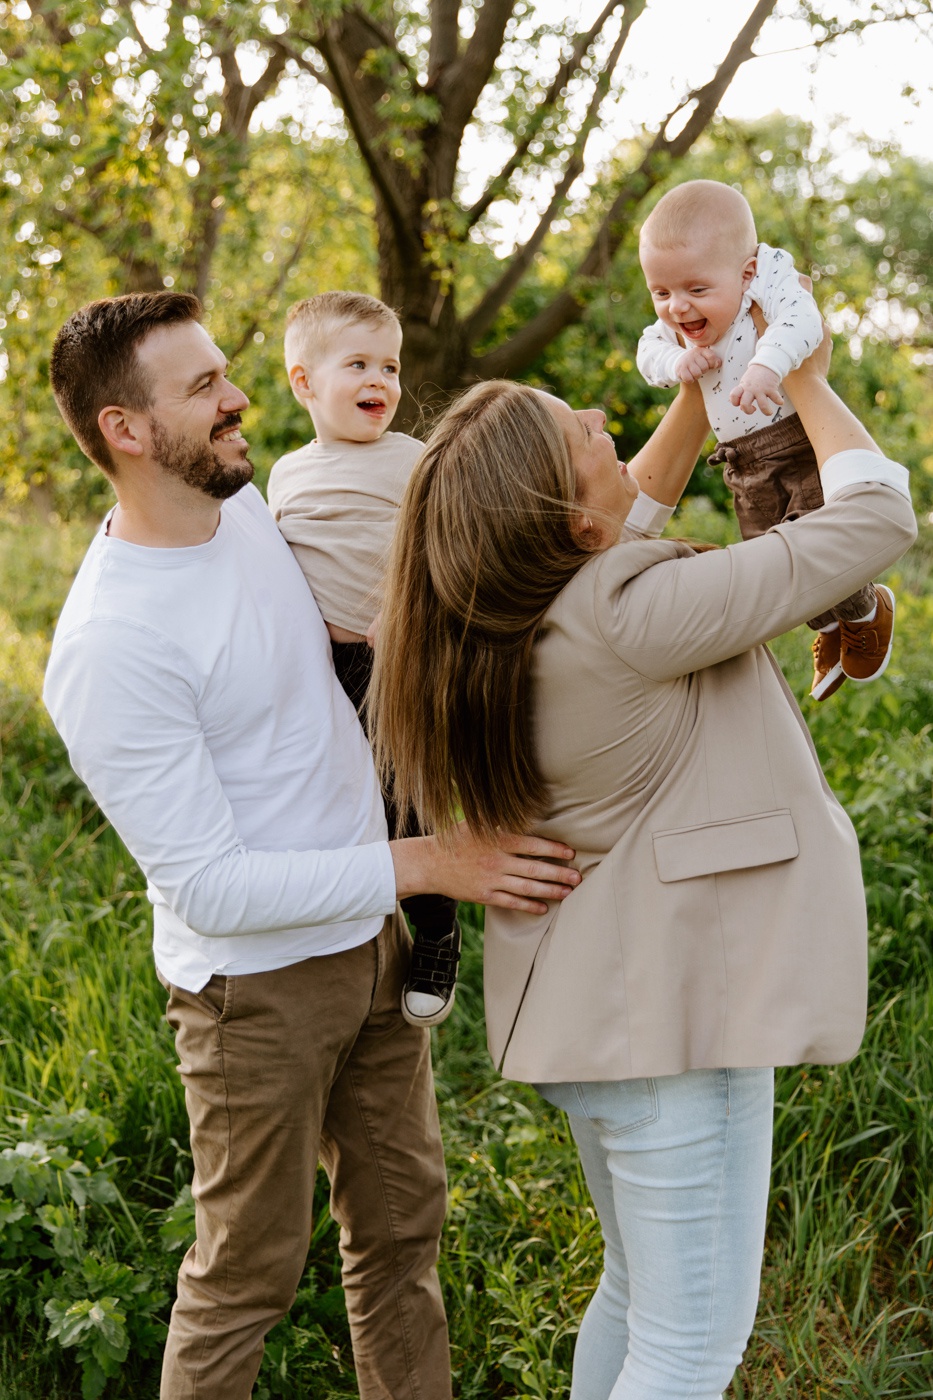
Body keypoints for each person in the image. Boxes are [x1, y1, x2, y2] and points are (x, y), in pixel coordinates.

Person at [41, 291, 581, 1400]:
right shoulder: (110, 644)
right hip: (254, 997)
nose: (239, 397)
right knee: (246, 1276)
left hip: (373, 945)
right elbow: (211, 885)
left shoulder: (243, 508)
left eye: (226, 371)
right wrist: (432, 865)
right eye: (203, 388)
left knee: (401, 1240)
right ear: (125, 431)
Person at [368, 331, 916, 1397]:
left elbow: (623, 513)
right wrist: (799, 363)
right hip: (676, 1021)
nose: (603, 421)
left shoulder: (497, 617)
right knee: (690, 1344)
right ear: (568, 519)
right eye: (579, 429)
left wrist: (711, 389)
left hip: (600, 1011)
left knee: (635, 1297)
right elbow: (878, 517)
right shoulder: (630, 611)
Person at [268, 290, 461, 1028]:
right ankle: (339, 944)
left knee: (402, 805)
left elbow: (447, 547)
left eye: (390, 365)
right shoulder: (284, 475)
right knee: (329, 806)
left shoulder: (413, 460)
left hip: (396, 661)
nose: (381, 380)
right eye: (358, 364)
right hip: (317, 672)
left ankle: (437, 935)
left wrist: (411, 606)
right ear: (304, 382)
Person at [637, 179, 895, 702]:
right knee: (772, 552)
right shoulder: (680, 326)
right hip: (742, 459)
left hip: (799, 440)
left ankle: (866, 609)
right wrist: (676, 363)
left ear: (745, 272)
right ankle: (825, 628)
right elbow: (648, 349)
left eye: (695, 290)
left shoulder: (769, 279)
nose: (677, 309)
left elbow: (805, 322)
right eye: (661, 293)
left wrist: (766, 367)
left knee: (819, 541)